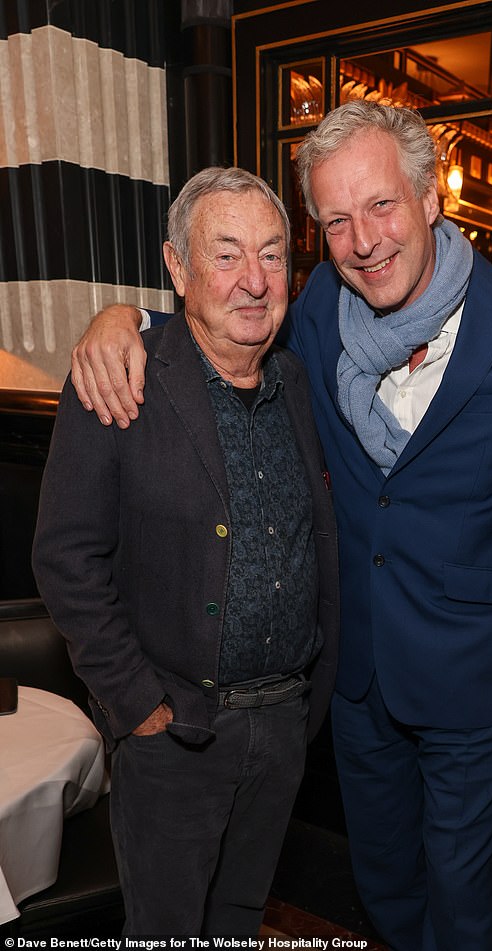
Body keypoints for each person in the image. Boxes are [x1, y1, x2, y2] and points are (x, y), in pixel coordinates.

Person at [69, 102, 492, 951]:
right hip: (352, 671)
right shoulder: (318, 313)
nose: (364, 241)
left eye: (382, 206)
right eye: (337, 220)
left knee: (463, 890)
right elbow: (223, 320)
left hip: (480, 675)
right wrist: (122, 321)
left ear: (431, 197)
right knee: (382, 877)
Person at [32, 167, 339, 937]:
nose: (254, 280)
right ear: (177, 266)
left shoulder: (296, 380)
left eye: (272, 255)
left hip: (282, 725)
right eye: (226, 253)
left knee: (237, 920)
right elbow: (66, 558)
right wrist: (141, 708)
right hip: (176, 734)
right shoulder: (119, 377)